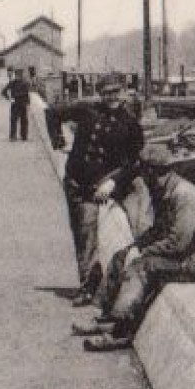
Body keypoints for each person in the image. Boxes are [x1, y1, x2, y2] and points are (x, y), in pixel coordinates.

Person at [80, 151, 195, 351]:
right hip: (180, 256)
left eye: (148, 175)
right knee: (122, 256)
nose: (146, 181)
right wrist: (136, 246)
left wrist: (144, 252)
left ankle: (121, 331)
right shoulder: (165, 191)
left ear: (158, 173)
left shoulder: (184, 195)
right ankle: (106, 317)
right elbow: (158, 230)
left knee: (141, 267)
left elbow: (179, 243)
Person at [45, 77, 144, 306]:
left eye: (116, 92)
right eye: (107, 92)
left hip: (99, 187)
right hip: (75, 182)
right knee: (81, 234)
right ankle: (90, 282)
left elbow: (134, 162)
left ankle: (91, 285)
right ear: (100, 93)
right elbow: (51, 113)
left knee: (93, 232)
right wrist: (58, 141)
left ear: (123, 92)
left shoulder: (129, 124)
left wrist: (114, 183)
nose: (112, 97)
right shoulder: (86, 109)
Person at [2, 69, 34, 141]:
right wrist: (28, 102)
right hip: (20, 103)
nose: (18, 76)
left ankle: (16, 136)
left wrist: (9, 98)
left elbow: (3, 91)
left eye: (19, 75)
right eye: (18, 75)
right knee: (22, 120)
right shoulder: (23, 83)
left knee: (16, 120)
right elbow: (28, 93)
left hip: (17, 103)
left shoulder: (13, 83)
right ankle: (22, 136)